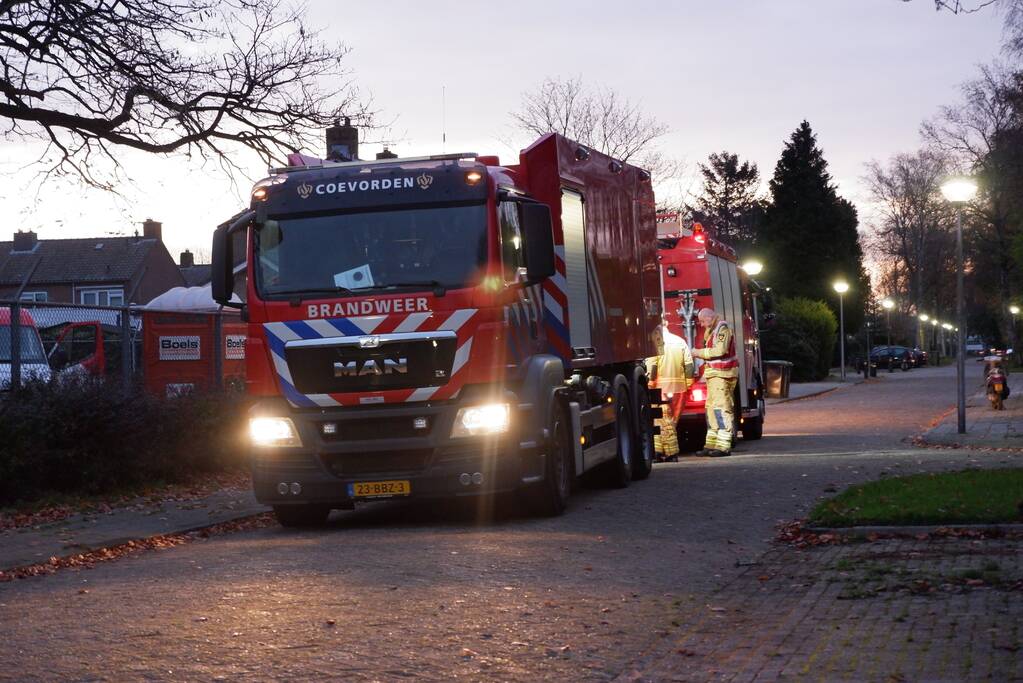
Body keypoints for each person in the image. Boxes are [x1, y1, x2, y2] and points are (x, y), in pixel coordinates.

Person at [691, 307, 739, 456]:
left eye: (703, 321)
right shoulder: (713, 329)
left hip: (723, 374)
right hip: (715, 375)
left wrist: (697, 353)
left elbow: (719, 351)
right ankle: (711, 444)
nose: (702, 325)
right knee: (711, 410)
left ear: (710, 318)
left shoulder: (722, 329)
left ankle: (723, 446)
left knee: (721, 409)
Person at [646, 322, 695, 461]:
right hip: (679, 389)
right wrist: (689, 384)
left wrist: (649, 383)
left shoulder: (657, 341)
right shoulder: (680, 341)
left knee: (661, 421)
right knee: (671, 421)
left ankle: (668, 452)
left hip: (661, 387)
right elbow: (689, 366)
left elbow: (653, 366)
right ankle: (661, 451)